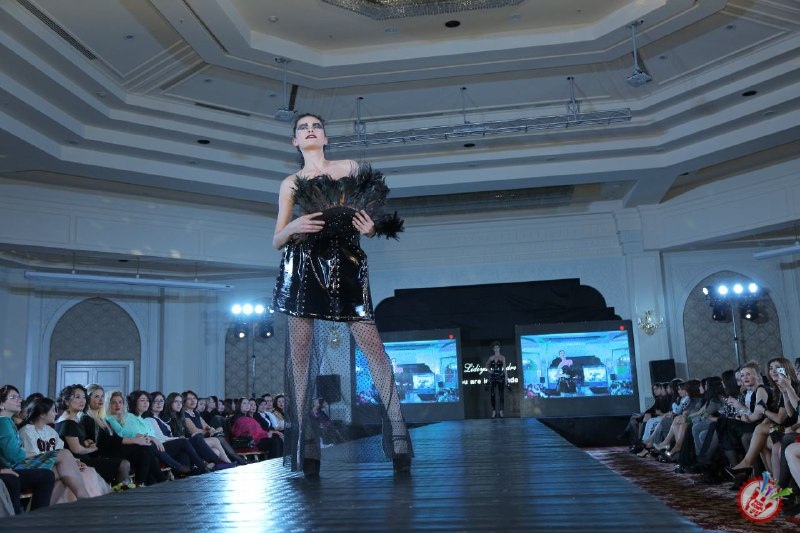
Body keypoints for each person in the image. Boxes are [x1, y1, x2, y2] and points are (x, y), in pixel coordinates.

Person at [271, 113, 410, 476]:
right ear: (295, 141)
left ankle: (398, 434)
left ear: (325, 137)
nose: (310, 130)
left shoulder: (349, 167)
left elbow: (374, 215)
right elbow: (276, 239)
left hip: (347, 264)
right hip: (304, 264)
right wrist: (294, 225)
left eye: (315, 126)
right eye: (302, 128)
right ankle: (307, 442)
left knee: (374, 350)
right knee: (301, 356)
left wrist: (372, 229)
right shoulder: (291, 183)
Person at [0, 385, 91, 502]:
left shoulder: (8, 421)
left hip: (17, 464)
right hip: (14, 467)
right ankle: (84, 498)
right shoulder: (3, 422)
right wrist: (42, 454)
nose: (19, 400)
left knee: (64, 471)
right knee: (63, 455)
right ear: (1, 404)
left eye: (19, 397)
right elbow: (14, 456)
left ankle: (46, 508)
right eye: (13, 397)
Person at [19, 397, 111, 502]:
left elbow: (60, 451)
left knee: (85, 471)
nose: (56, 413)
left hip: (54, 465)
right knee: (69, 473)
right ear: (42, 414)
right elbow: (35, 457)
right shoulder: (27, 431)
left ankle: (84, 500)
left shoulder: (50, 431)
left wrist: (75, 462)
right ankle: (83, 499)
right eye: (53, 410)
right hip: (35, 466)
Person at [55, 384, 131, 488]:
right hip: (78, 462)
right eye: (78, 397)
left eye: (84, 397)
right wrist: (91, 449)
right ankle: (123, 492)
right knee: (123, 464)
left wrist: (86, 443)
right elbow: (76, 449)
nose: (83, 401)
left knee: (123, 461)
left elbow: (75, 441)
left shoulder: (74, 419)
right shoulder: (68, 422)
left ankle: (123, 490)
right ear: (66, 401)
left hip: (83, 459)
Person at [484, 341, 509, 418]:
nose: (496, 349)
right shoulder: (491, 358)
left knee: (501, 394)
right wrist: (489, 370)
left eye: (497, 347)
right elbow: (486, 365)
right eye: (495, 348)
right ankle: (494, 411)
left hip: (501, 377)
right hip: (493, 377)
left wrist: (506, 377)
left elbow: (504, 368)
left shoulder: (502, 357)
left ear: (499, 348)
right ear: (493, 349)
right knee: (492, 394)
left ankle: (501, 411)